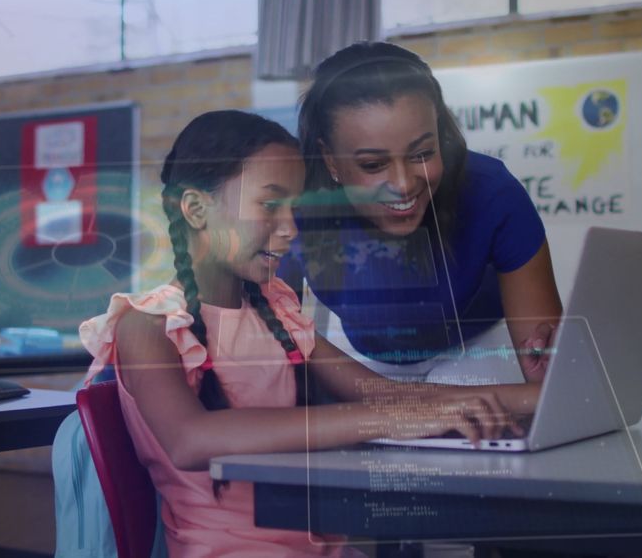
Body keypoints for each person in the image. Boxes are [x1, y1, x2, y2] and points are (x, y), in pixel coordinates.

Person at [79, 110, 540, 557]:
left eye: (295, 209)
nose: (290, 229)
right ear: (197, 209)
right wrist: (390, 419)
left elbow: (382, 393)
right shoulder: (148, 325)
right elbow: (190, 440)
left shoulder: (277, 312)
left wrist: (539, 397)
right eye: (270, 205)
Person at [285, 41, 563, 386]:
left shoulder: (493, 191)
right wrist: (388, 397)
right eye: (373, 164)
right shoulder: (294, 209)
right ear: (330, 160)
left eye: (422, 154)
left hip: (478, 348)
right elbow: (276, 329)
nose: (403, 185)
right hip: (361, 359)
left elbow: (549, 382)